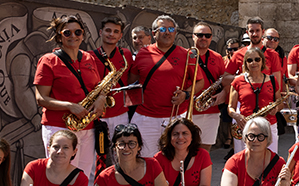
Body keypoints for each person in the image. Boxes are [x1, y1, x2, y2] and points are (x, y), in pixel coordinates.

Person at [33, 15, 107, 186]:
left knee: (87, 173)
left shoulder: (89, 58)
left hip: (87, 126)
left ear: (83, 35)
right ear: (59, 36)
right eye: (67, 33)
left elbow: (99, 87)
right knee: (59, 171)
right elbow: (41, 98)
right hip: (59, 126)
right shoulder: (48, 61)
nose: (73, 36)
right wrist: (69, 105)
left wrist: (101, 98)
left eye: (78, 32)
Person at [130, 15, 202, 157]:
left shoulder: (186, 55)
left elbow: (199, 82)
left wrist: (185, 94)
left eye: (171, 29)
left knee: (175, 158)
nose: (167, 32)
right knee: (144, 159)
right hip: (146, 117)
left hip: (175, 116)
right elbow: (132, 81)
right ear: (154, 33)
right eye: (162, 29)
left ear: (175, 32)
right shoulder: (142, 54)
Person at [229, 47, 284, 155]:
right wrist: (237, 116)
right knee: (244, 159)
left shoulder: (272, 80)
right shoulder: (238, 81)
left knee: (270, 159)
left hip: (269, 124)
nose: (253, 63)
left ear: (262, 61)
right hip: (245, 125)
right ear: (245, 63)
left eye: (257, 59)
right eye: (249, 60)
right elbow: (230, 107)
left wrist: (276, 109)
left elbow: (280, 103)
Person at [92, 15, 135, 142]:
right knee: (97, 154)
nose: (112, 34)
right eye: (108, 30)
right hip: (97, 113)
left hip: (121, 114)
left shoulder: (126, 54)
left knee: (120, 151)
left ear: (121, 35)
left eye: (116, 31)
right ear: (101, 32)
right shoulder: (89, 57)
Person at [189, 22, 228, 151]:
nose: (203, 38)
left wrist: (224, 94)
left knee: (205, 150)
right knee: (187, 149)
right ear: (193, 36)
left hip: (211, 110)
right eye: (199, 35)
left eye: (207, 35)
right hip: (188, 111)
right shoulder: (185, 55)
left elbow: (224, 81)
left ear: (211, 38)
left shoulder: (217, 58)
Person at [226, 17, 285, 81]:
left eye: (257, 30)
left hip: (266, 90)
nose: (254, 34)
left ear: (262, 32)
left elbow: (277, 83)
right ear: (247, 33)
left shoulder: (273, 54)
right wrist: (242, 77)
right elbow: (225, 78)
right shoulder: (238, 54)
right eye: (251, 31)